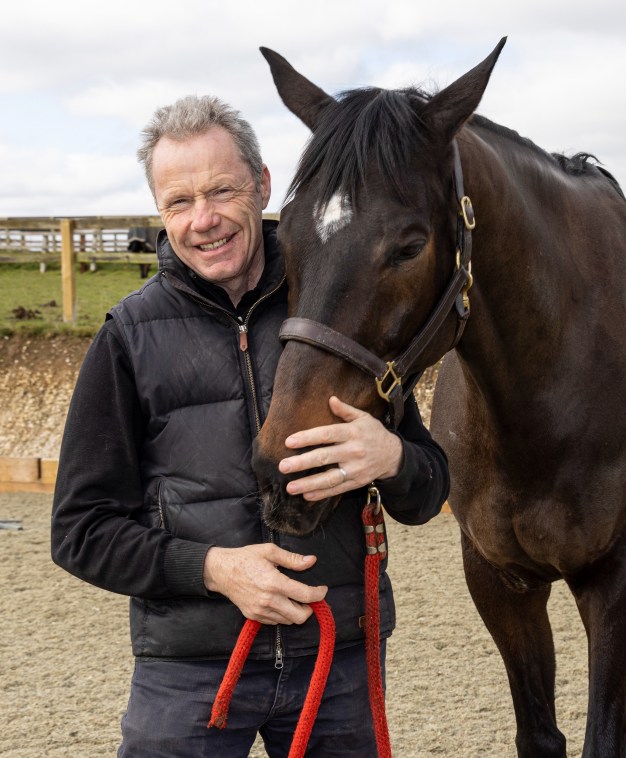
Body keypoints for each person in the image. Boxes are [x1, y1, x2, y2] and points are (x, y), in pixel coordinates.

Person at [50, 94, 449, 756]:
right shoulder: (129, 337)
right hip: (190, 673)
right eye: (179, 202)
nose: (203, 220)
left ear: (262, 186)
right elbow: (79, 531)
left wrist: (394, 458)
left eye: (221, 191)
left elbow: (430, 490)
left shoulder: (336, 313)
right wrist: (212, 569)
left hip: (336, 661)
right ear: (160, 212)